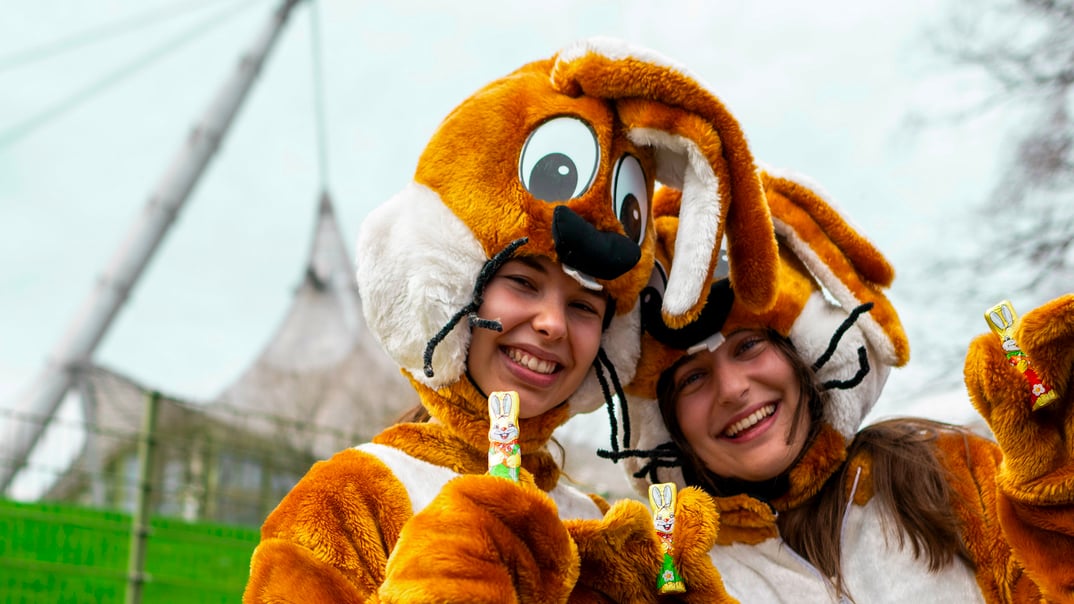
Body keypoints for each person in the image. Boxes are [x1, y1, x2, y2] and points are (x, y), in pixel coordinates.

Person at [243, 37, 781, 603]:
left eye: (584, 306)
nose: (552, 323)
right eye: (523, 283)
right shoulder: (351, 499)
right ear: (453, 289)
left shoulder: (600, 529)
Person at [616, 169, 1074, 603]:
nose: (733, 389)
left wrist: (1053, 504)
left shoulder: (948, 474)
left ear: (807, 352)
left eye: (748, 346)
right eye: (692, 376)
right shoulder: (676, 576)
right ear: (666, 425)